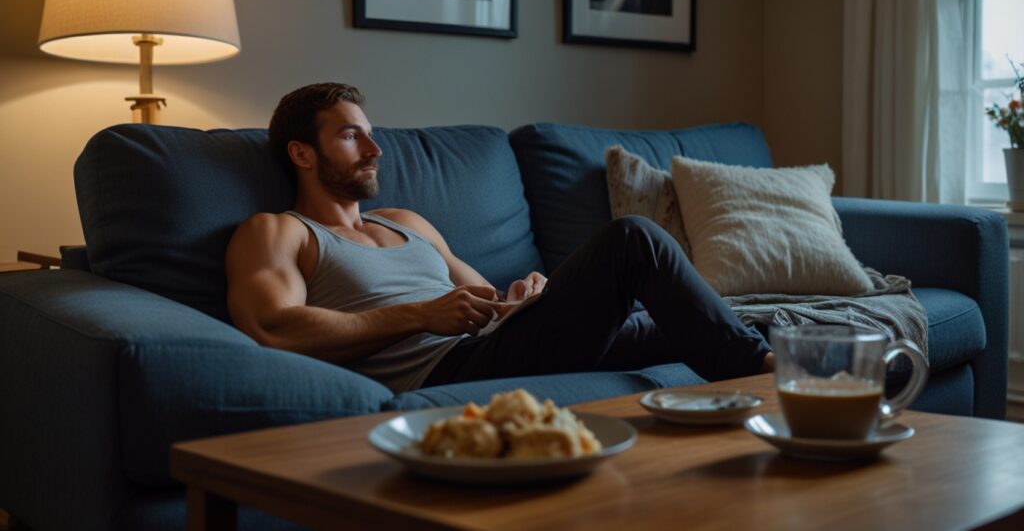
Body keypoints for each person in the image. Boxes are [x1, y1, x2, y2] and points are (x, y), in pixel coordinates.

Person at [226, 83, 773, 393]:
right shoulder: (278, 231)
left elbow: (487, 304)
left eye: (371, 134)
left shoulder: (406, 222)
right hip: (449, 372)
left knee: (698, 322)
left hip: (493, 348)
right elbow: (275, 326)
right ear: (301, 153)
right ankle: (770, 376)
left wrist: (525, 297)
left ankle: (794, 365)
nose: (375, 149)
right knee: (633, 239)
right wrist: (419, 315)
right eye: (350, 136)